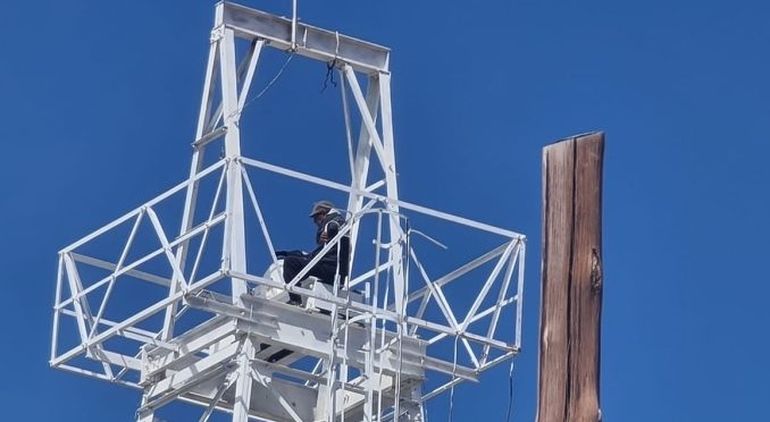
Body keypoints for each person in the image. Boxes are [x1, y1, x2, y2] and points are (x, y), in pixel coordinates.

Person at [276, 200, 350, 306]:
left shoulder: (335, 221)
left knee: (290, 263)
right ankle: (296, 295)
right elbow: (310, 255)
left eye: (316, 218)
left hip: (331, 268)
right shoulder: (332, 225)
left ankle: (295, 299)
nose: (315, 221)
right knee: (296, 258)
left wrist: (330, 233)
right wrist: (287, 253)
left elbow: (334, 226)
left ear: (323, 213)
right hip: (328, 266)